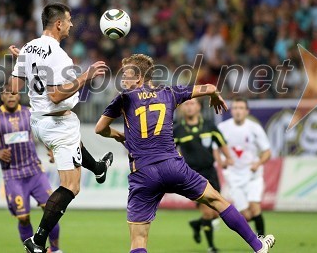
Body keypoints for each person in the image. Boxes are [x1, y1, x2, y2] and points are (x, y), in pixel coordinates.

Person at [95, 54, 276, 253]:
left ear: (138, 78)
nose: (122, 79)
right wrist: (214, 96)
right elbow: (210, 88)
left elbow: (100, 129)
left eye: (126, 75)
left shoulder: (123, 99)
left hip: (143, 172)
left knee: (139, 238)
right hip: (173, 166)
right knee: (217, 200)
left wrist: (117, 135)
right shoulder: (170, 93)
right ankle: (258, 246)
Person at [8, 2, 111, 253]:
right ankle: (38, 240)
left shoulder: (29, 48)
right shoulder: (58, 55)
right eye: (69, 20)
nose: (71, 24)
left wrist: (24, 62)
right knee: (71, 187)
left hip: (39, 121)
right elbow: (55, 96)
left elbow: (13, 88)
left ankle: (97, 167)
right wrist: (85, 77)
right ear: (58, 24)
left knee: (74, 144)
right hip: (57, 121)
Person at [0, 89, 63, 252]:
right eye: (6, 93)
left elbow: (43, 133)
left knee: (51, 210)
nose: (10, 96)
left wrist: (51, 149)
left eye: (13, 93)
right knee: (24, 218)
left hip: (34, 171)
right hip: (12, 174)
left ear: (19, 95)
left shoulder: (30, 113)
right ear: (1, 96)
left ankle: (55, 249)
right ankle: (33, 250)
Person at [174, 98, 234, 253]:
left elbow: (222, 142)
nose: (189, 107)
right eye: (186, 104)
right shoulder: (177, 129)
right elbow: (169, 150)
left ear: (199, 107)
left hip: (211, 173)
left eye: (192, 103)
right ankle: (211, 247)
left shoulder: (209, 125)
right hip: (192, 175)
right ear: (181, 109)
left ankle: (197, 224)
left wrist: (228, 157)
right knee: (208, 211)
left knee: (216, 212)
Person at [217, 98, 272, 236]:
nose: (238, 111)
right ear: (231, 111)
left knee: (255, 208)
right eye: (235, 108)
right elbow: (215, 149)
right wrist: (221, 161)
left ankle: (262, 241)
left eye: (241, 108)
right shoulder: (223, 128)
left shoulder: (254, 128)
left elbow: (267, 151)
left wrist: (258, 163)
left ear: (247, 111)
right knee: (246, 215)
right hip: (234, 176)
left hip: (252, 174)